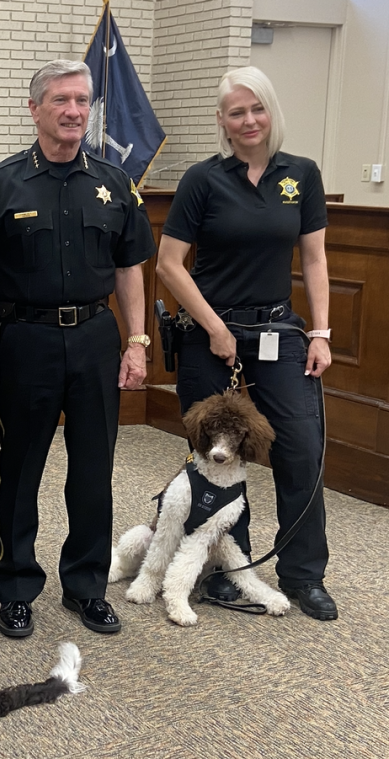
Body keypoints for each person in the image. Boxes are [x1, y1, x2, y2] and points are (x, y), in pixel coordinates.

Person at [0, 60, 155, 639]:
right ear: (35, 109)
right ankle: (17, 586)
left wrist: (138, 342)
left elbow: (130, 268)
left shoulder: (117, 185)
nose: (75, 112)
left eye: (83, 101)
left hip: (98, 336)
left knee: (93, 470)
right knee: (20, 469)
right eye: (62, 101)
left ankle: (86, 586)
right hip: (27, 339)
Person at [156, 66, 337, 621]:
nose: (248, 120)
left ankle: (302, 574)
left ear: (271, 111)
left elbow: (313, 258)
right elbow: (168, 264)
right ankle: (227, 570)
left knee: (300, 449)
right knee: (215, 460)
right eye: (236, 112)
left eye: (256, 108)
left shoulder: (300, 176)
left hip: (279, 335)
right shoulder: (202, 180)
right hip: (210, 336)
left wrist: (323, 332)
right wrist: (213, 326)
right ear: (223, 121)